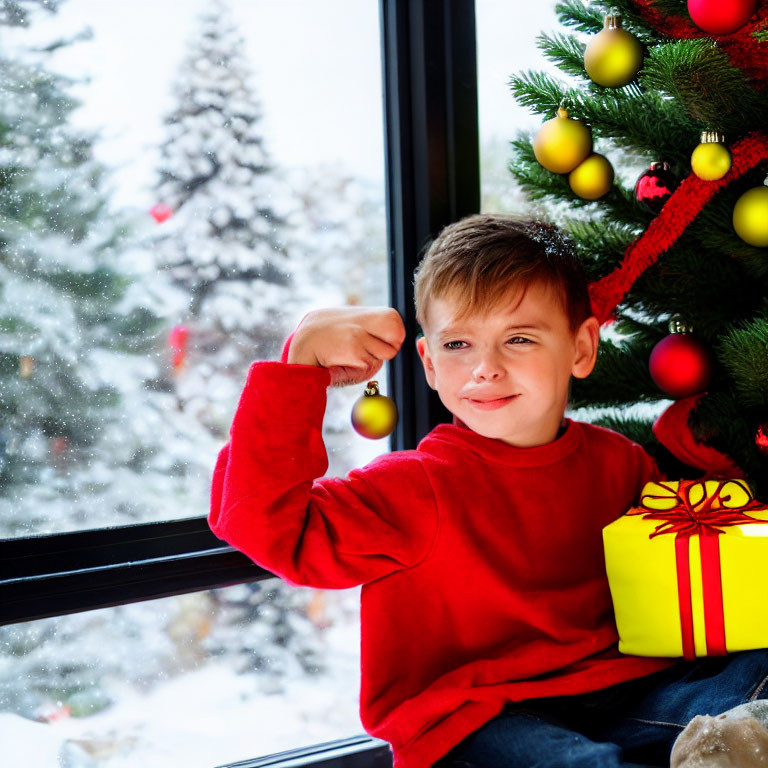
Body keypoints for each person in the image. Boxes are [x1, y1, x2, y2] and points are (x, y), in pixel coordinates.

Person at [209, 213, 768, 768]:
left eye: (519, 338)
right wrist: (299, 363)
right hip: (478, 718)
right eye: (457, 345)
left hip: (626, 692)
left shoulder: (619, 462)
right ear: (428, 363)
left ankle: (714, 748)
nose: (485, 369)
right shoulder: (414, 487)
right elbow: (259, 519)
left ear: (581, 348)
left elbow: (685, 578)